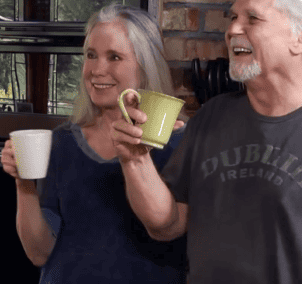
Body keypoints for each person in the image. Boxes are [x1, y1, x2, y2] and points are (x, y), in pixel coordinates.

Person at [107, 0, 302, 283]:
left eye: (252, 18)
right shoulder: (211, 117)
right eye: (233, 17)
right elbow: (166, 225)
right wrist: (135, 159)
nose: (233, 29)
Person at [1, 3, 187, 284]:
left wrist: (135, 157)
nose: (97, 70)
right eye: (91, 55)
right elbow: (39, 253)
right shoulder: (63, 142)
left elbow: (165, 228)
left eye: (114, 57)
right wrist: (23, 182)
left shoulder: (180, 140)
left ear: (144, 64)